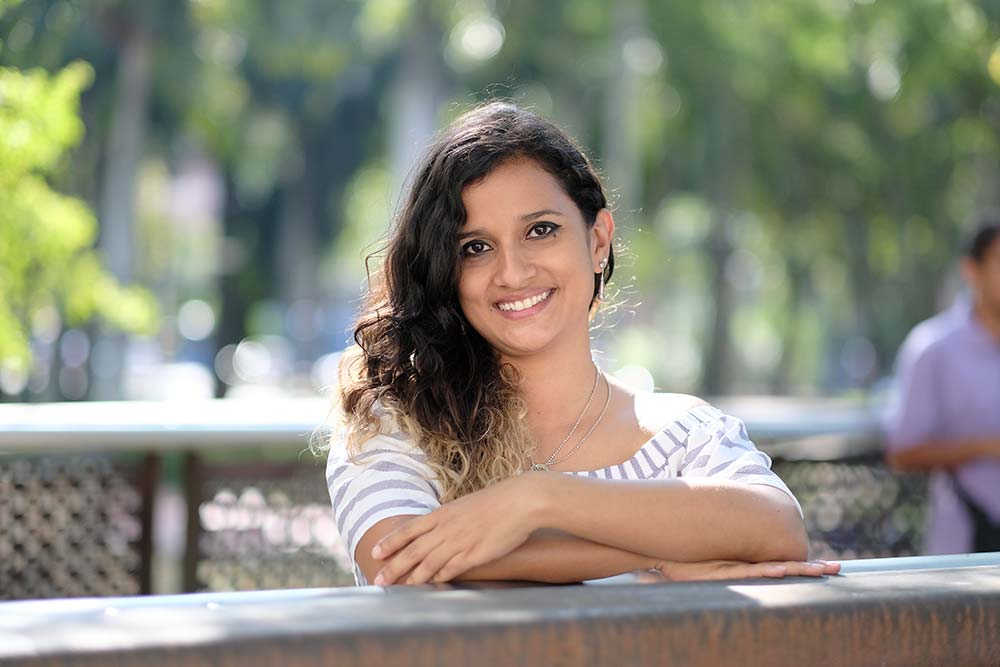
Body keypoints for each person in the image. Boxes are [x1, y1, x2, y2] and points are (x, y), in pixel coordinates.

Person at [323, 101, 840, 586]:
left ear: (598, 241)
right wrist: (658, 554)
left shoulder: (683, 435)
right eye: (476, 247)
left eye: (540, 230)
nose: (512, 272)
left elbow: (776, 528)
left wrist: (539, 499)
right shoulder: (395, 420)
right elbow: (399, 566)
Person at [885, 213, 1000, 554]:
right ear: (972, 270)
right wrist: (987, 447)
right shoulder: (932, 349)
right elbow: (902, 452)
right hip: (965, 552)